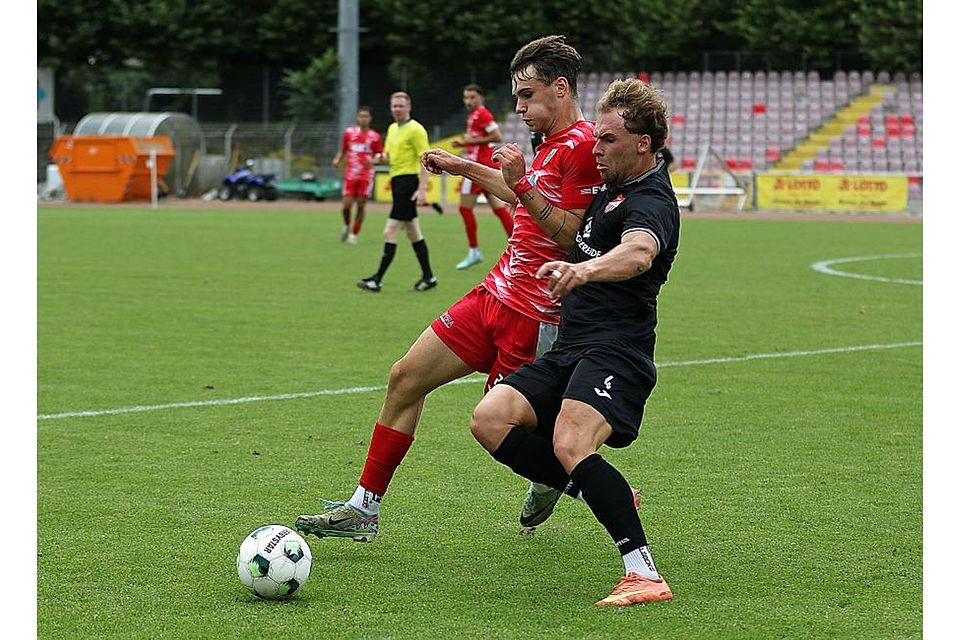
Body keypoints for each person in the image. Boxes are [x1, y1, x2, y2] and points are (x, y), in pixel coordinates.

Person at [296, 35, 602, 543]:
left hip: (537, 317)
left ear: (561, 87)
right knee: (404, 378)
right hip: (492, 296)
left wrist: (520, 184)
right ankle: (363, 508)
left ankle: (563, 478)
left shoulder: (585, 148)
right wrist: (465, 167)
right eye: (516, 96)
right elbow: (526, 193)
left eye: (527, 95)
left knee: (502, 429)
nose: (519, 107)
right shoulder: (547, 144)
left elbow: (575, 234)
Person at [469, 78, 679, 606]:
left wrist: (583, 273)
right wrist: (498, 177)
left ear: (643, 143)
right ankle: (599, 488)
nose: (596, 147)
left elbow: (638, 255)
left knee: (569, 441)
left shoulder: (651, 200)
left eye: (607, 139)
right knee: (490, 419)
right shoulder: (610, 187)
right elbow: (563, 224)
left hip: (617, 351)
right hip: (572, 347)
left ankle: (643, 573)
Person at [357, 92, 437, 292]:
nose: (397, 109)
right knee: (413, 232)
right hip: (396, 182)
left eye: (401, 105)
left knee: (390, 230)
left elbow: (425, 160)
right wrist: (377, 159)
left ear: (409, 107)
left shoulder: (416, 129)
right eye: (394, 106)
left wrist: (421, 189)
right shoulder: (392, 128)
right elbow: (390, 156)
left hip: (409, 183)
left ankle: (377, 279)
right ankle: (429, 277)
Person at [450, 84, 514, 270]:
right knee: (499, 209)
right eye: (466, 97)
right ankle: (518, 245)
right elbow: (479, 141)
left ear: (480, 98)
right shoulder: (473, 116)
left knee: (464, 209)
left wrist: (470, 141)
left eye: (472, 97)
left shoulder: (482, 114)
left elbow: (496, 135)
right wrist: (464, 143)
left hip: (476, 169)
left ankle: (474, 251)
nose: (468, 101)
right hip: (484, 165)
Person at [332, 106, 383, 244]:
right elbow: (343, 151)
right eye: (361, 116)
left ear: (370, 119)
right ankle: (347, 224)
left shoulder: (375, 136)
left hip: (366, 176)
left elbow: (380, 155)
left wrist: (373, 160)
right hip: (350, 175)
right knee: (346, 206)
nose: (363, 119)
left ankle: (354, 234)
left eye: (366, 116)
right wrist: (337, 160)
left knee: (361, 205)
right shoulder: (349, 133)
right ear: (357, 118)